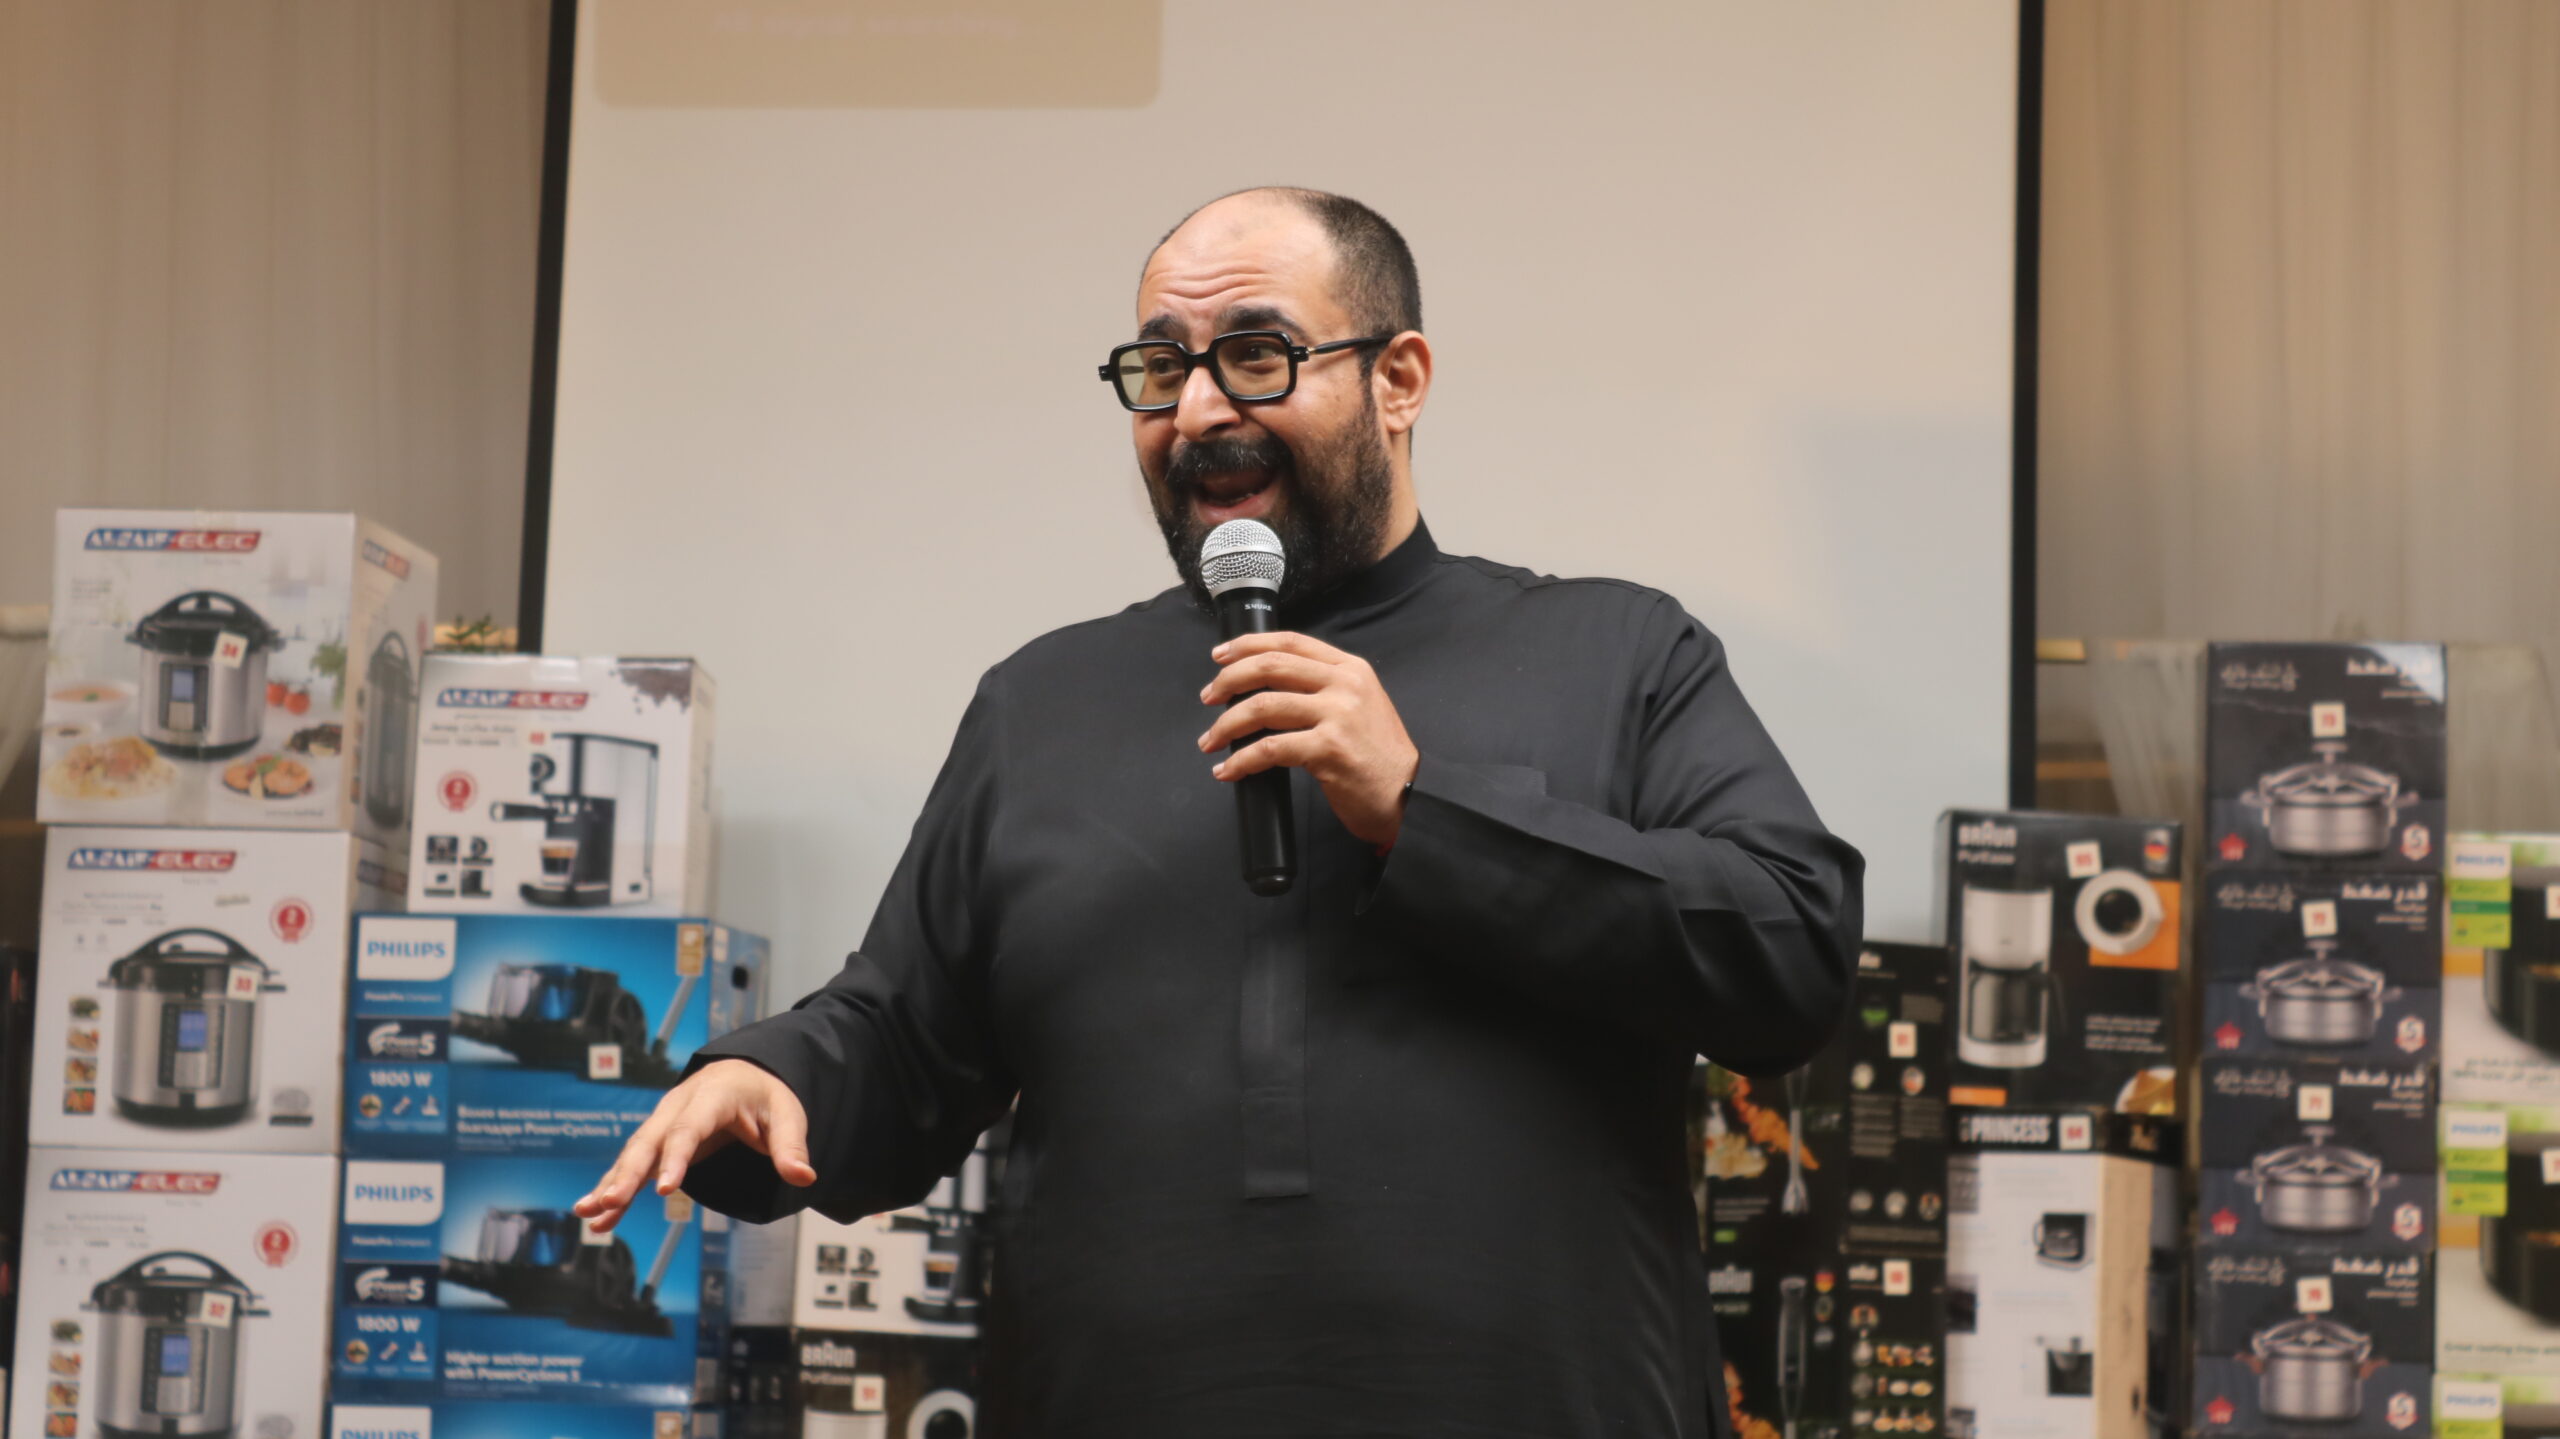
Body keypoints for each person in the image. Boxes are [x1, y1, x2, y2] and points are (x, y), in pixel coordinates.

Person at [576, 187, 1865, 1436]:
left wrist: (1422, 806)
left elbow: (1792, 949)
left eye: (1257, 356)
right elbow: (906, 1033)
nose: (1197, 411)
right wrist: (769, 1073)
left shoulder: (1615, 654)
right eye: (1160, 368)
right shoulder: (1045, 703)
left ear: (1399, 379)